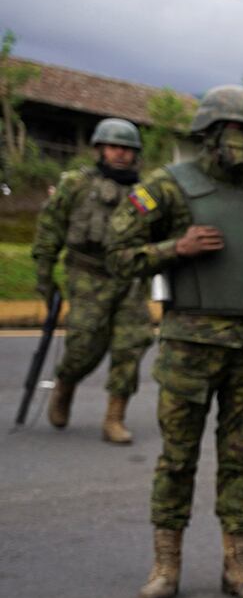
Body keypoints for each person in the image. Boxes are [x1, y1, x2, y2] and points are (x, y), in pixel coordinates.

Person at [106, 83, 243, 598]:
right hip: (188, 348)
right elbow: (116, 251)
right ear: (211, 134)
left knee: (241, 460)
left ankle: (237, 565)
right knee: (177, 459)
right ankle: (165, 566)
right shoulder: (169, 188)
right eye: (237, 130)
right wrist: (174, 248)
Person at [31, 117, 153, 444]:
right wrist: (45, 278)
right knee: (83, 345)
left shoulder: (144, 194)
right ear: (100, 148)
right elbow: (49, 230)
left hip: (130, 280)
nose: (120, 155)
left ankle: (115, 417)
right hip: (87, 274)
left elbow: (158, 232)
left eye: (127, 149)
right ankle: (65, 385)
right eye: (114, 147)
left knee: (132, 345)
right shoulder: (76, 185)